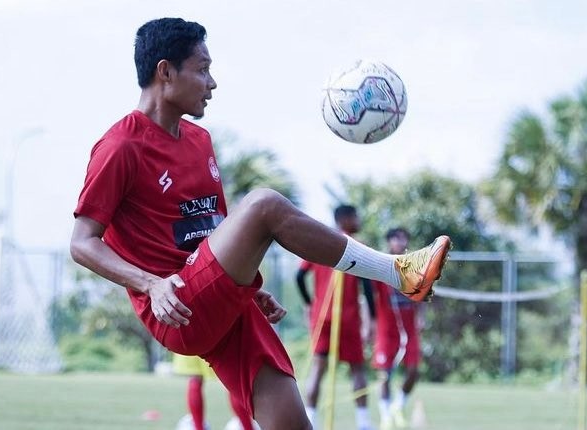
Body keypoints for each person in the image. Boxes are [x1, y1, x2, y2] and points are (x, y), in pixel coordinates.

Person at [69, 17, 451, 430]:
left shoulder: (199, 141)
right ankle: (397, 271)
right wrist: (150, 284)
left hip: (218, 298)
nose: (212, 82)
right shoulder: (120, 146)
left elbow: (214, 230)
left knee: (292, 424)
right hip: (177, 304)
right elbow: (82, 243)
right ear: (165, 71)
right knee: (264, 203)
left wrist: (247, 287)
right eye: (202, 69)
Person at [296, 205, 377, 430]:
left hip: (322, 316)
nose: (359, 220)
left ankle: (310, 420)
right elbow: (367, 285)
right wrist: (372, 319)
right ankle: (363, 423)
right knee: (357, 369)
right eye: (356, 216)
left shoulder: (319, 241)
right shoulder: (357, 246)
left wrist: (309, 304)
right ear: (347, 219)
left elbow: (300, 276)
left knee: (317, 369)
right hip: (348, 318)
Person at [371, 228, 423, 430]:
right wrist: (369, 323)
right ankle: (385, 416)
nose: (400, 242)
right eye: (396, 238)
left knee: (413, 371)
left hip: (409, 330)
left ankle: (398, 406)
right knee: (384, 374)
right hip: (386, 329)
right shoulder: (381, 267)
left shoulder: (415, 268)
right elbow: (368, 296)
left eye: (403, 238)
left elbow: (422, 297)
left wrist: (422, 318)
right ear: (389, 242)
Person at [172, 354, 256, 430]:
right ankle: (248, 427)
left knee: (195, 378)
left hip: (191, 339)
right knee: (231, 377)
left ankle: (198, 427)